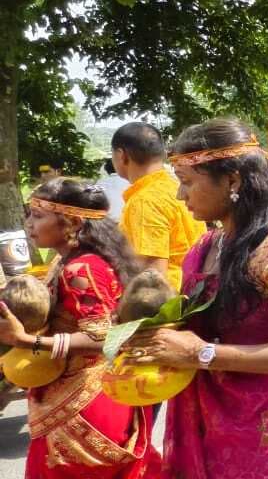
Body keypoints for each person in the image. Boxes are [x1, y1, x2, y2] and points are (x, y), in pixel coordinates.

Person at [124, 119, 268, 477]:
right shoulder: (206, 246)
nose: (181, 196)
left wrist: (199, 353)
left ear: (233, 180)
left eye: (187, 183)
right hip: (210, 421)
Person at [0, 178, 162, 478]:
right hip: (89, 393)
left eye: (38, 216)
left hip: (84, 403)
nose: (28, 224)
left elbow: (101, 337)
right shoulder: (73, 262)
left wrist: (26, 341)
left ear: (71, 222)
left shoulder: (81, 268)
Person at [111, 121, 208, 290]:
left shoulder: (144, 201)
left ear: (122, 155)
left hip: (167, 305)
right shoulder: (176, 188)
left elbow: (153, 278)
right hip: (194, 290)